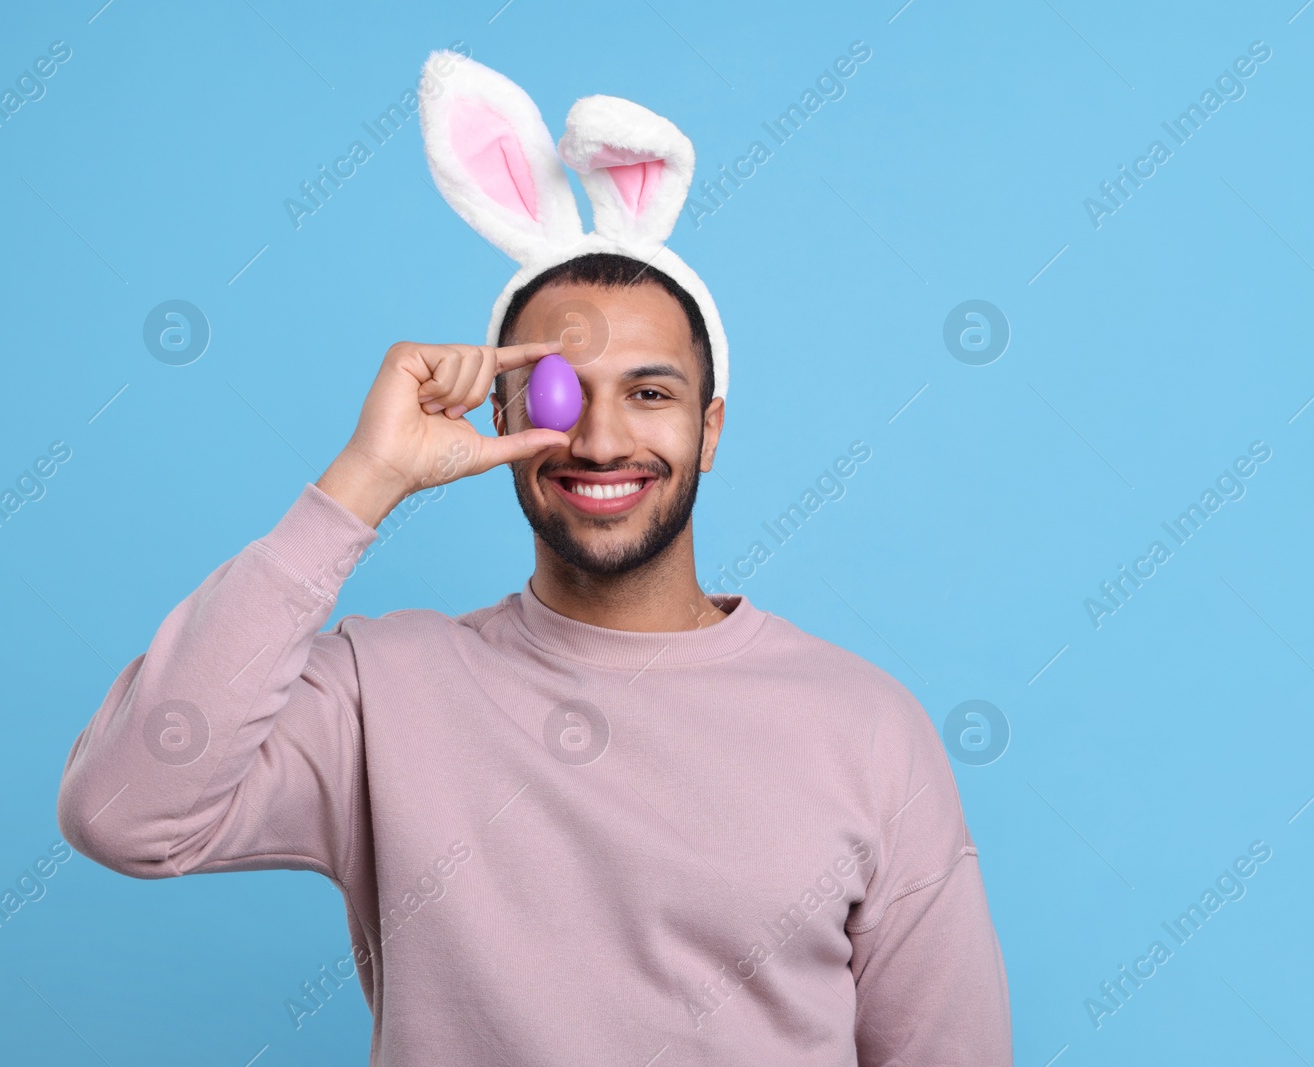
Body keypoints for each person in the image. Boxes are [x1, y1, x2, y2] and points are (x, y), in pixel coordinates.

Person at [57, 52, 1012, 1066]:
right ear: (500, 413)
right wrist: (359, 483)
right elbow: (123, 812)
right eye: (560, 393)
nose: (601, 441)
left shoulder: (864, 726)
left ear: (711, 426)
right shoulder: (383, 692)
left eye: (650, 393)